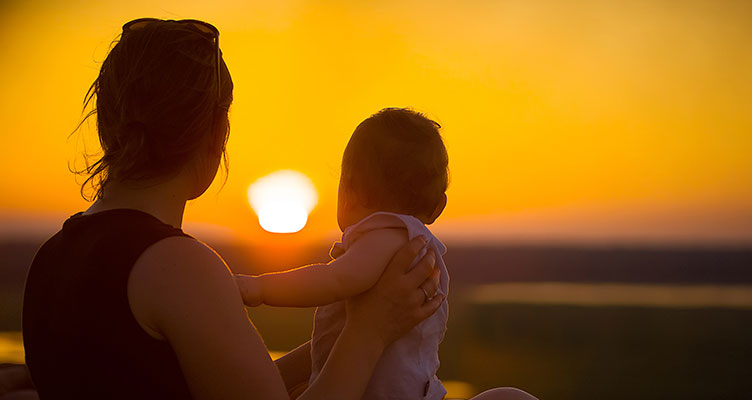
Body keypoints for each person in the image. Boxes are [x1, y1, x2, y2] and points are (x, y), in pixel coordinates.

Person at [20, 18, 444, 400]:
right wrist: (368, 333)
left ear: (105, 122)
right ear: (214, 133)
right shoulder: (180, 268)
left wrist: (354, 333)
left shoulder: (51, 257)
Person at [236, 108, 451, 399]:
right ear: (438, 207)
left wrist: (259, 287)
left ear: (349, 190)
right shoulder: (417, 244)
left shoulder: (383, 237)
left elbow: (332, 281)